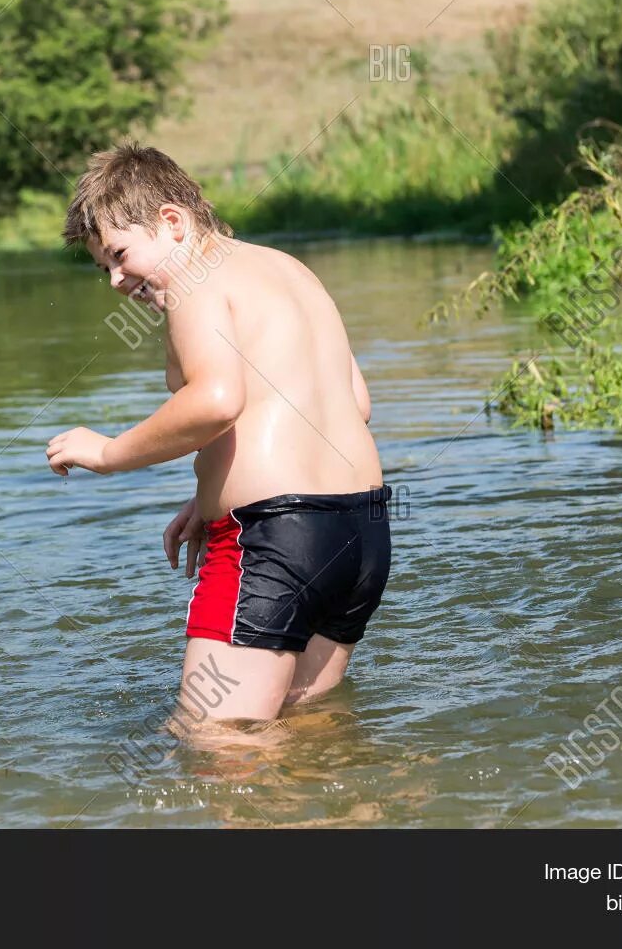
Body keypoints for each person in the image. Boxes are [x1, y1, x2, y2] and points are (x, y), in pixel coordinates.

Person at [45, 141, 392, 726]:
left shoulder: (193, 278)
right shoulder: (288, 269)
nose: (114, 279)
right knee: (306, 732)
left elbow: (216, 398)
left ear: (173, 223)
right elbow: (353, 403)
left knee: (217, 748)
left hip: (275, 541)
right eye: (104, 267)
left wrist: (106, 452)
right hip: (360, 534)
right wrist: (208, 493)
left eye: (120, 254)